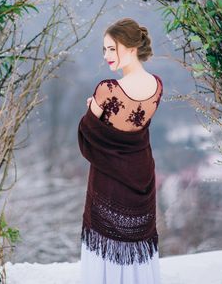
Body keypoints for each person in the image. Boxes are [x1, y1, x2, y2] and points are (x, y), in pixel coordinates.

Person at [77, 17, 163, 284]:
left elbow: (86, 138)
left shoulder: (107, 90)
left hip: (109, 185)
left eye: (111, 48)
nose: (106, 56)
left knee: (107, 259)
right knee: (137, 256)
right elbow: (133, 126)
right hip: (141, 180)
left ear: (131, 47)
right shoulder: (157, 86)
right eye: (104, 50)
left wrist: (91, 109)